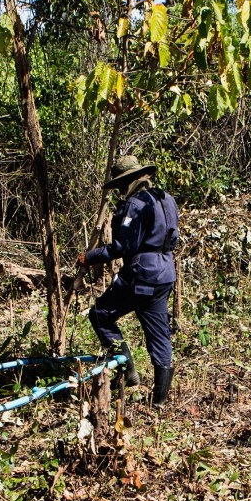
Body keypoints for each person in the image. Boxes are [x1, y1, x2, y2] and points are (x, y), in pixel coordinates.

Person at [78, 156, 180, 405]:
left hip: (141, 275)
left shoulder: (135, 203)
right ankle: (159, 401)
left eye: (121, 185)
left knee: (100, 315)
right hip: (165, 272)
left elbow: (124, 245)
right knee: (159, 335)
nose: (121, 191)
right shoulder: (167, 199)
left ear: (128, 181)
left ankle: (127, 371)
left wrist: (90, 257)